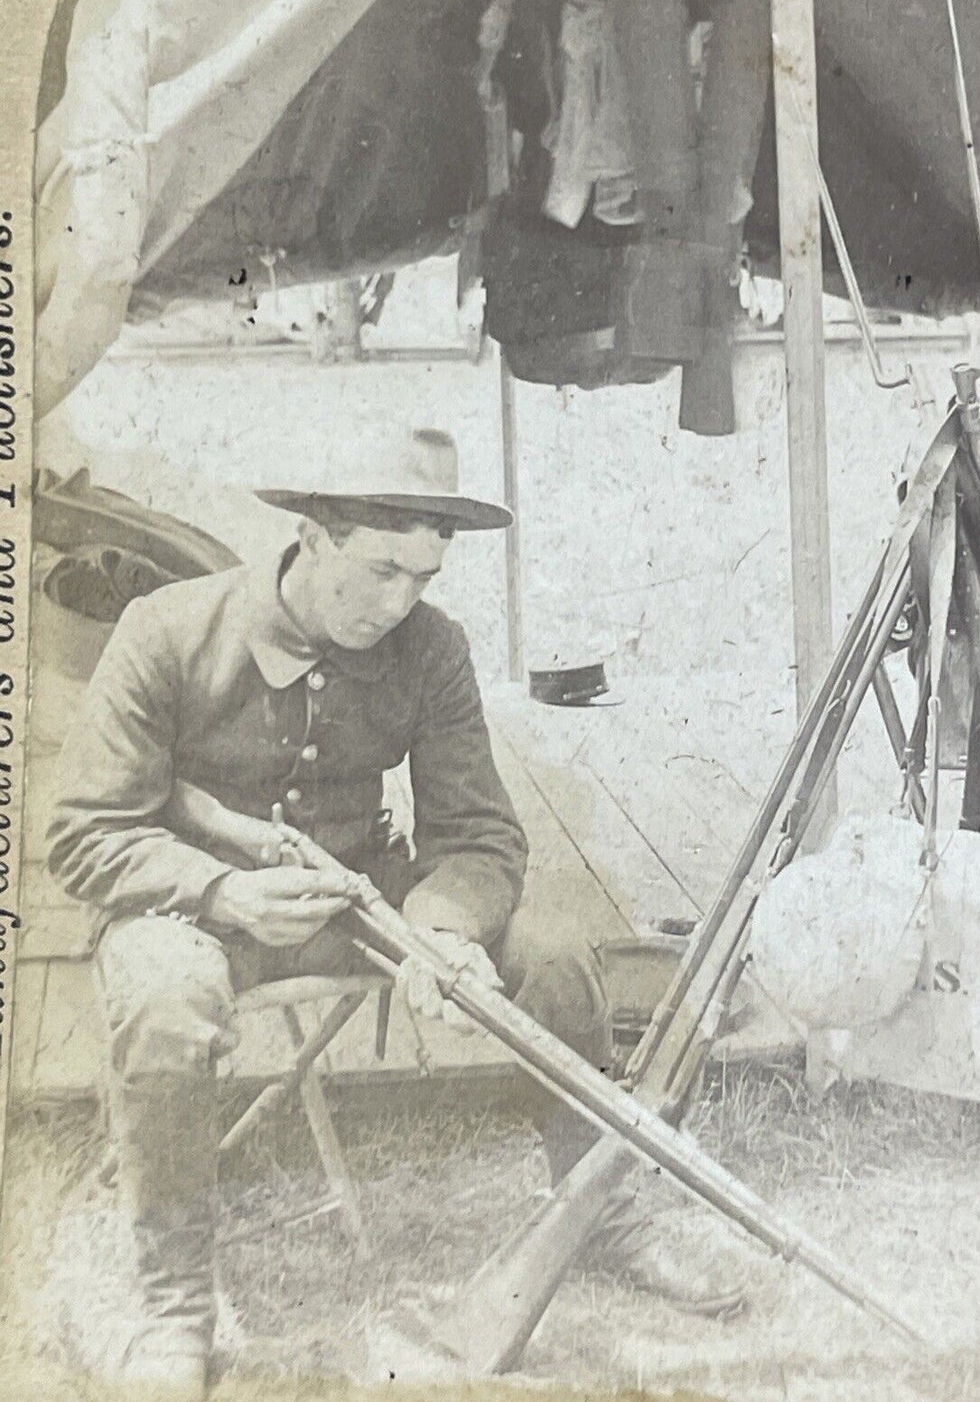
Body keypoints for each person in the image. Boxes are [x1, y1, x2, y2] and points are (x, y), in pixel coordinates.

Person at [47, 428, 744, 1397]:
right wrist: (220, 890)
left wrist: (445, 928)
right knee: (165, 994)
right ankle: (171, 1297)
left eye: (422, 574)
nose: (399, 602)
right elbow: (84, 832)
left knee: (548, 954)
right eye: (380, 570)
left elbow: (481, 833)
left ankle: (607, 1210)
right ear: (310, 536)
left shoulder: (431, 648)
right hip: (192, 908)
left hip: (358, 897)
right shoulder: (166, 631)